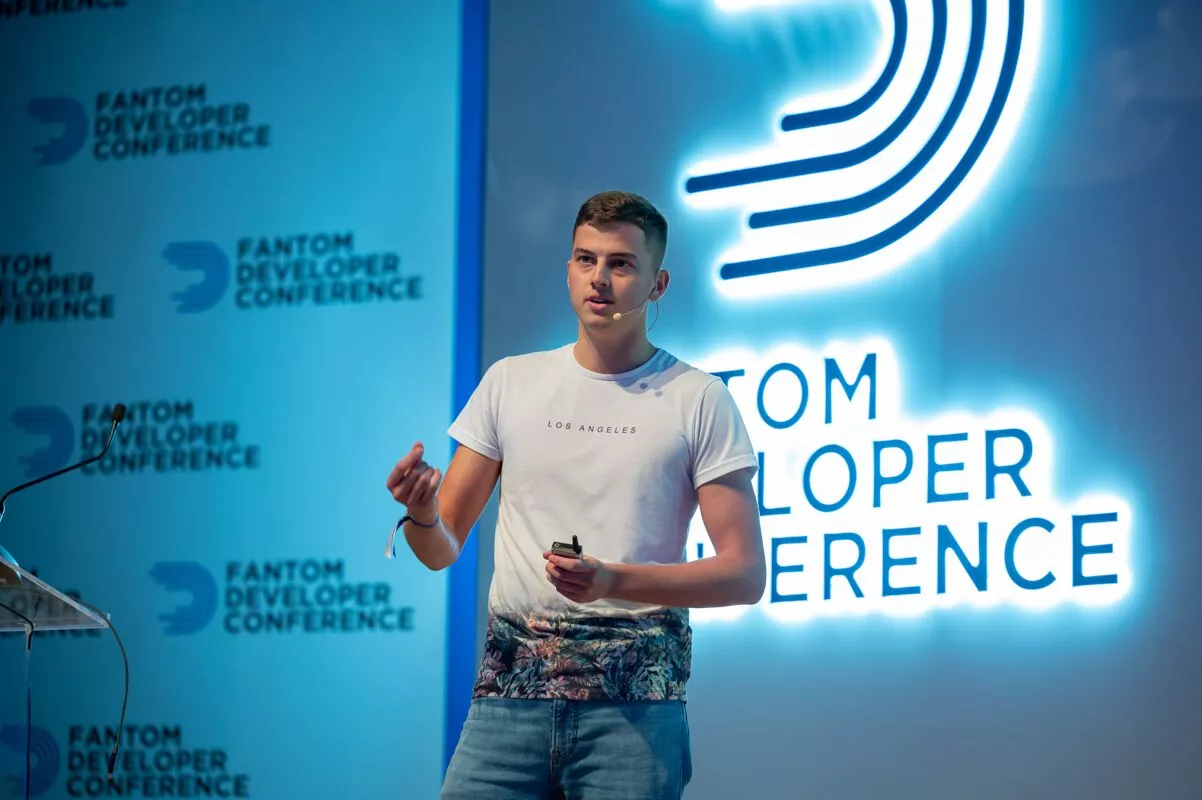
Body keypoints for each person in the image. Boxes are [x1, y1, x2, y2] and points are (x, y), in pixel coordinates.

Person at [386, 190, 765, 799]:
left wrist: (612, 580)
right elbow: (441, 549)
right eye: (586, 260)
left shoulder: (698, 398)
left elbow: (744, 574)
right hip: (507, 702)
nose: (600, 278)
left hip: (635, 714)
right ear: (568, 270)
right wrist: (424, 513)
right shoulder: (510, 382)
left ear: (658, 283)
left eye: (621, 263)